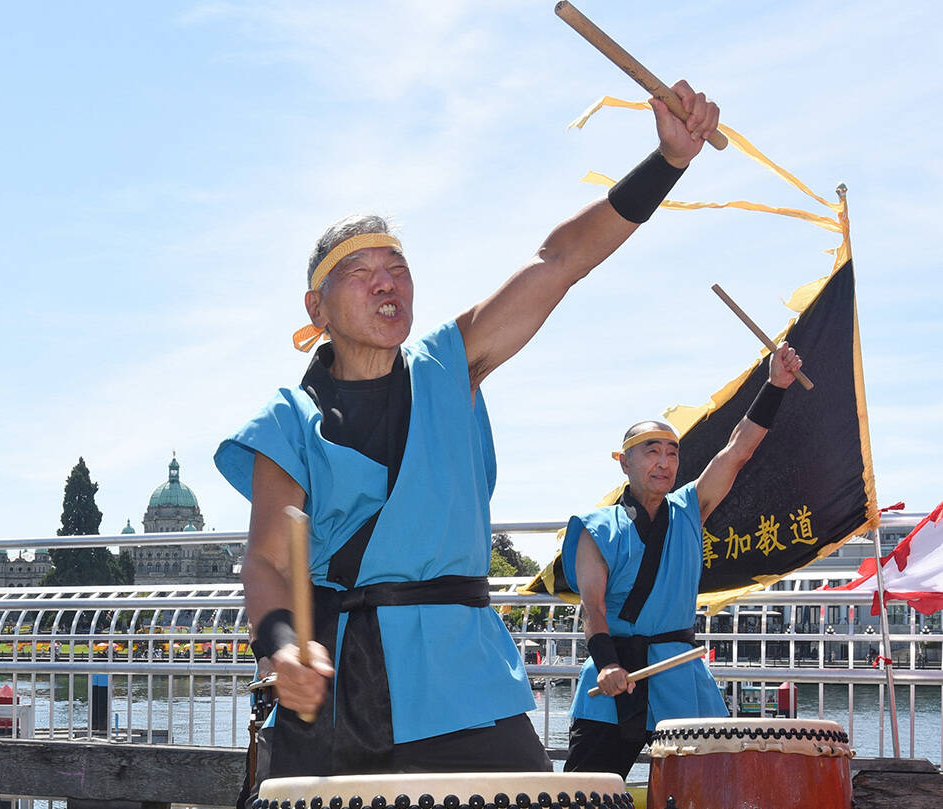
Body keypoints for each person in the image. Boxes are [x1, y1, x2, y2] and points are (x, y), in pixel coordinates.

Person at [214, 81, 720, 786]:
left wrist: (665, 161)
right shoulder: (287, 419)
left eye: (396, 267)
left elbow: (559, 262)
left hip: (466, 676)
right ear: (315, 306)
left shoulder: (451, 366)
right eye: (358, 272)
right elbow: (267, 559)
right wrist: (281, 645)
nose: (384, 281)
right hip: (335, 685)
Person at [562, 343, 803, 779]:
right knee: (586, 793)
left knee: (711, 787)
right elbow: (592, 608)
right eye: (651, 451)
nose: (664, 463)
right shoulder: (595, 528)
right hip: (614, 674)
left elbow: (736, 450)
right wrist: (608, 665)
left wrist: (775, 385)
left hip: (679, 673)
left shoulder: (690, 507)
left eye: (672, 452)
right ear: (624, 463)